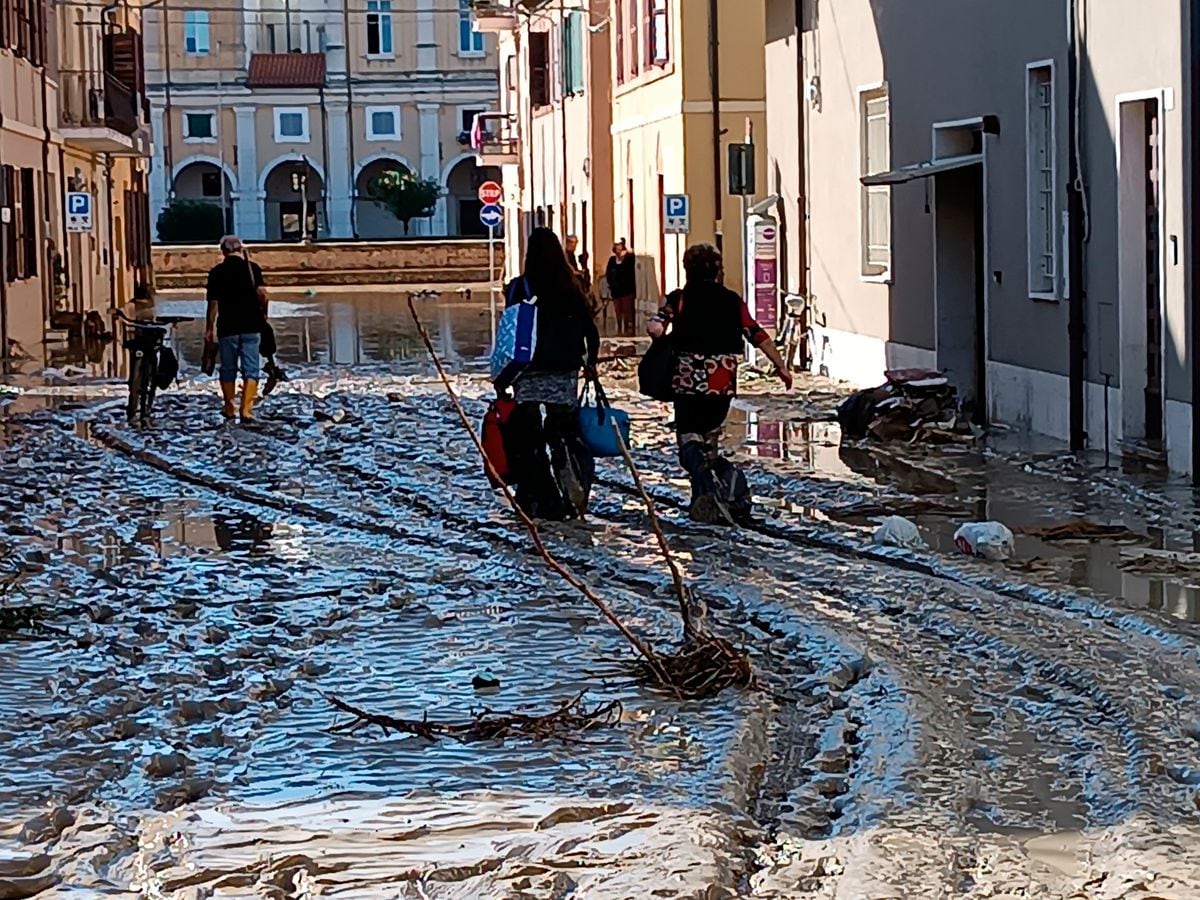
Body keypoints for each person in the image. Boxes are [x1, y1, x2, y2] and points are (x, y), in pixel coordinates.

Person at [648, 243, 792, 524]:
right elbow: (755, 332)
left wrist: (659, 333)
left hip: (688, 382)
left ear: (686, 269)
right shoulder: (732, 299)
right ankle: (708, 496)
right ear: (717, 270)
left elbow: (655, 327)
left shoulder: (680, 298)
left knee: (689, 439)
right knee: (710, 440)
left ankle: (703, 486)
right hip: (721, 381)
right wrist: (780, 365)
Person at [501, 228, 600, 520]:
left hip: (528, 370)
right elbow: (590, 331)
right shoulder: (572, 287)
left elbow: (508, 332)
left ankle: (536, 496)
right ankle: (571, 487)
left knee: (528, 438)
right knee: (564, 433)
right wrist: (590, 363)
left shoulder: (520, 287)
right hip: (565, 369)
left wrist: (502, 378)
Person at [205, 235, 267, 422]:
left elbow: (213, 303)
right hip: (251, 325)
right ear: (240, 250)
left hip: (228, 327)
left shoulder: (216, 272)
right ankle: (246, 410)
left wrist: (209, 328)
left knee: (228, 368)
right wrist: (264, 315)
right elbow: (263, 295)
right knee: (251, 369)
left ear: (223, 251)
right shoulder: (252, 269)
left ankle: (230, 407)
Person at [605, 239, 637, 336]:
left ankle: (627, 328)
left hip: (627, 289)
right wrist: (610, 283)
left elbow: (631, 272)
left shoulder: (629, 259)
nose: (618, 248)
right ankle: (619, 328)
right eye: (616, 246)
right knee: (618, 310)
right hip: (615, 290)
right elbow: (608, 273)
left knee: (627, 310)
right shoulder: (612, 260)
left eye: (620, 246)